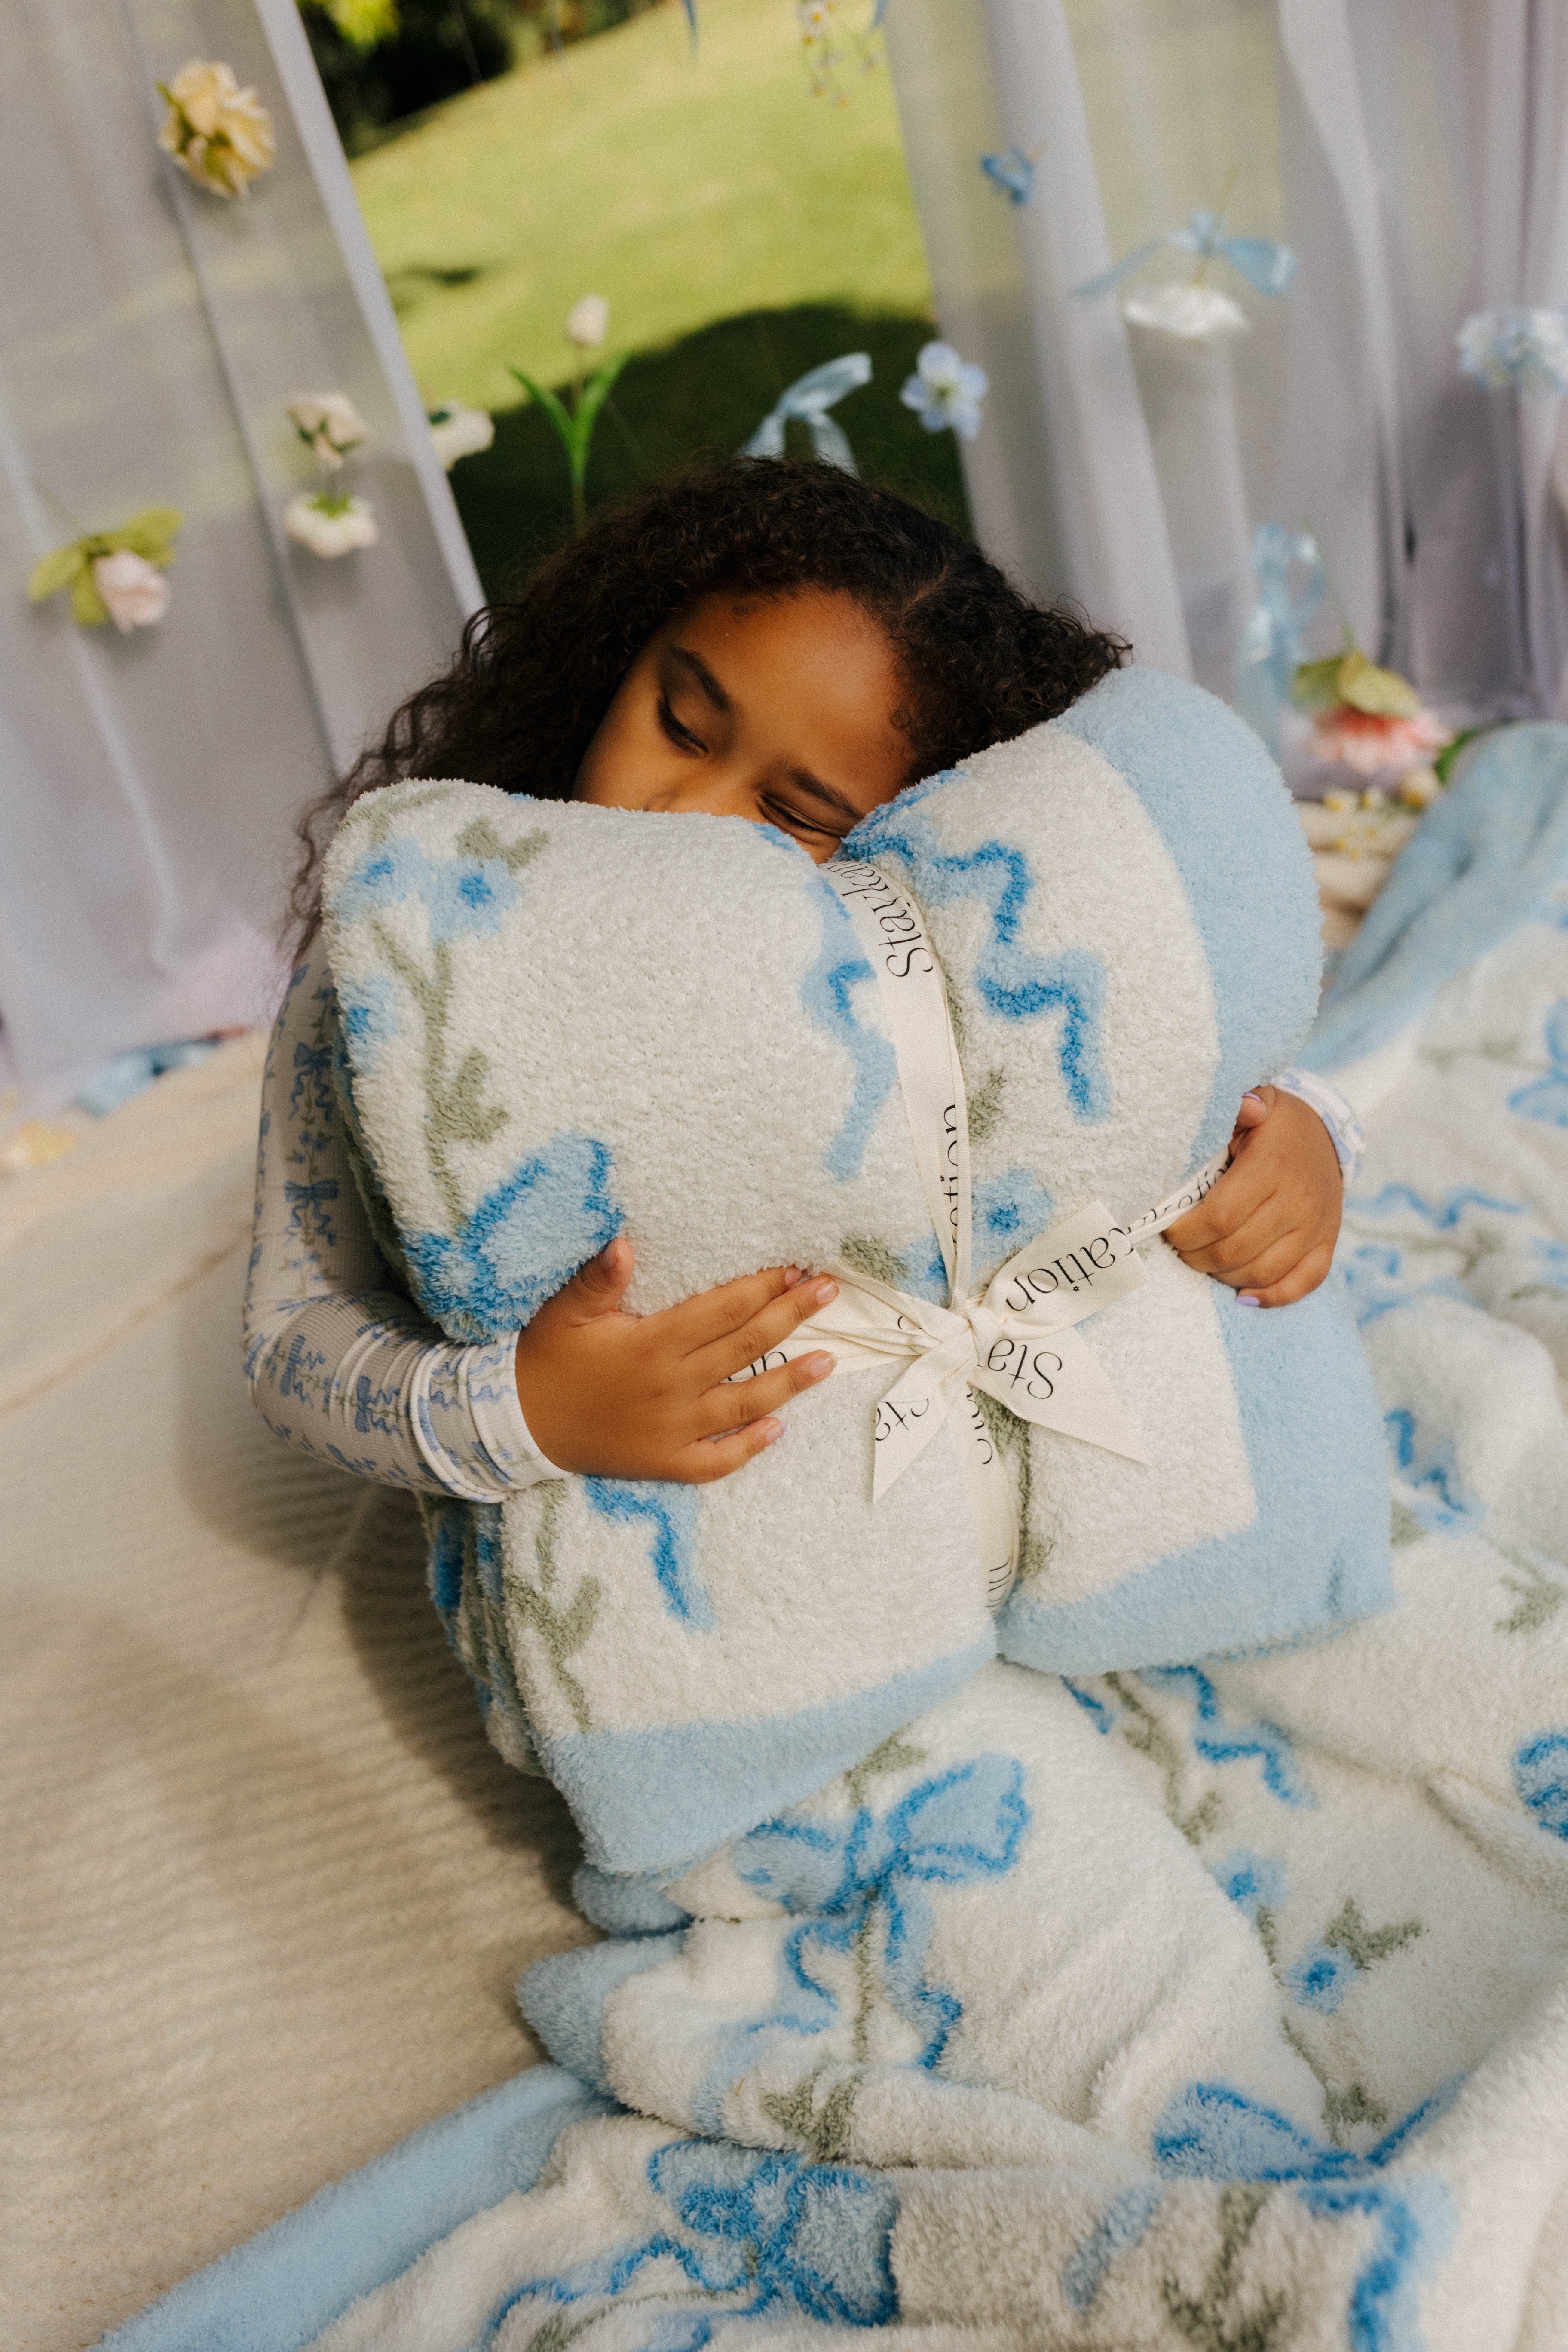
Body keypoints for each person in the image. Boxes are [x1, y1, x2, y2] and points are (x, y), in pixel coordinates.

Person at [245, 460, 1361, 1504]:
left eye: (794, 814)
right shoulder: (393, 973)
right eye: (679, 724)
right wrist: (529, 1411)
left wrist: (1302, 1142)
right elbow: (294, 1332)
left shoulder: (941, 979)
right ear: (609, 660)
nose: (679, 812)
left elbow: (1165, 1091)